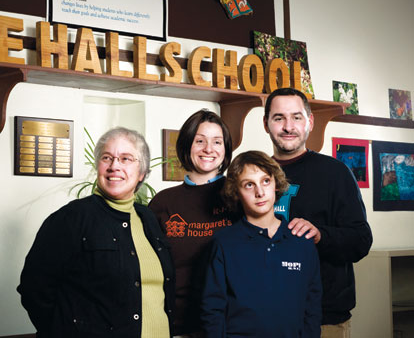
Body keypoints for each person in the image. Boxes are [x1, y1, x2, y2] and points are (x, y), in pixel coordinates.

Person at [17, 127, 175, 338]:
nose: (114, 166)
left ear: (142, 173)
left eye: (126, 158)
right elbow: (34, 289)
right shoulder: (72, 218)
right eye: (107, 158)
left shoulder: (148, 218)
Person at [263, 87, 373, 337]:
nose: (288, 126)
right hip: (265, 316)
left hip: (325, 318)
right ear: (266, 123)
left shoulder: (335, 173)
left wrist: (320, 235)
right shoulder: (255, 176)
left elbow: (361, 240)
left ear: (310, 122)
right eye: (279, 118)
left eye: (297, 117)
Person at [200, 150, 322, 338]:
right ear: (236, 192)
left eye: (265, 181)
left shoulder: (301, 241)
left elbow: (312, 307)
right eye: (249, 185)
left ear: (275, 184)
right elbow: (212, 310)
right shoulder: (224, 243)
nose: (259, 192)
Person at [149, 109, 235, 337]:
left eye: (217, 141)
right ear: (187, 145)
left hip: (231, 326)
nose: (209, 149)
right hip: (176, 326)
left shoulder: (240, 196)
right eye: (200, 141)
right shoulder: (162, 202)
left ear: (226, 148)